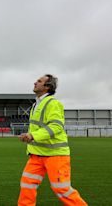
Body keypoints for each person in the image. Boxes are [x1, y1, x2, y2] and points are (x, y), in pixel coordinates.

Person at [17, 74, 87, 206]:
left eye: (39, 81)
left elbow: (56, 126)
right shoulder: (36, 104)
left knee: (62, 189)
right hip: (36, 155)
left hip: (55, 155)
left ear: (48, 87)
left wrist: (33, 136)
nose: (35, 83)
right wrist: (29, 135)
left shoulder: (53, 103)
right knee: (27, 186)